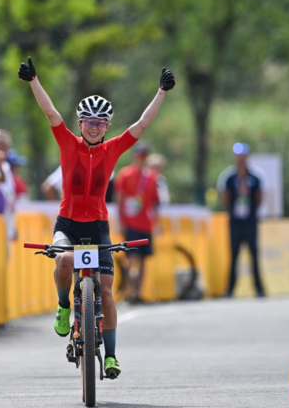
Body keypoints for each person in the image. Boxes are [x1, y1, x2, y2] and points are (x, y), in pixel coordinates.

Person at [19, 56, 175, 377]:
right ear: (79, 124)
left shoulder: (113, 149)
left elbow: (142, 125)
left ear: (107, 127)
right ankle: (64, 306)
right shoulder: (67, 144)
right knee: (63, 261)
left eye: (100, 122)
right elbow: (50, 112)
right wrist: (34, 80)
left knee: (105, 290)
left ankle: (112, 355)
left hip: (99, 226)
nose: (93, 126)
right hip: (68, 224)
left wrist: (161, 91)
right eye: (88, 120)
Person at [115, 142, 159, 303]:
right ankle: (129, 291)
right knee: (132, 258)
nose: (141, 159)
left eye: (144, 156)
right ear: (134, 156)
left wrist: (156, 223)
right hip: (131, 223)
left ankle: (138, 293)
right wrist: (120, 221)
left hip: (145, 223)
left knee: (143, 260)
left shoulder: (151, 177)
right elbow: (119, 199)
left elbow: (154, 202)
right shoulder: (125, 174)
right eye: (139, 155)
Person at [220, 142, 265, 298]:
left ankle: (259, 289)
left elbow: (259, 198)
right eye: (238, 157)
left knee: (254, 255)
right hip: (236, 222)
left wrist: (251, 212)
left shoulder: (254, 177)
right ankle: (230, 290)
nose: (241, 160)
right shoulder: (229, 177)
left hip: (250, 222)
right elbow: (225, 198)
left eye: (243, 157)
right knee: (234, 256)